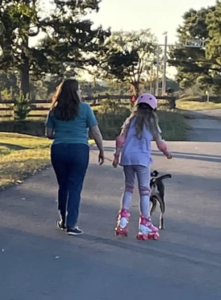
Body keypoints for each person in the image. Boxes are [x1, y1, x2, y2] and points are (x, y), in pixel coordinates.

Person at [45, 79, 104, 236]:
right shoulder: (85, 109)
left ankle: (63, 220)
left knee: (63, 186)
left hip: (58, 150)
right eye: (79, 90)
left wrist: (63, 133)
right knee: (75, 187)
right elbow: (95, 132)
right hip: (79, 150)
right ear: (74, 92)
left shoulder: (54, 110)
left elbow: (49, 134)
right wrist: (101, 150)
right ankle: (72, 224)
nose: (81, 92)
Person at [112, 93, 172, 240]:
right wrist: (167, 153)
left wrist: (116, 156)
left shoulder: (129, 121)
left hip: (127, 159)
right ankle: (145, 223)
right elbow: (160, 143)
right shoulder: (152, 122)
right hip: (142, 161)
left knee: (129, 188)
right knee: (145, 191)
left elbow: (120, 140)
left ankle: (123, 222)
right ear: (153, 109)